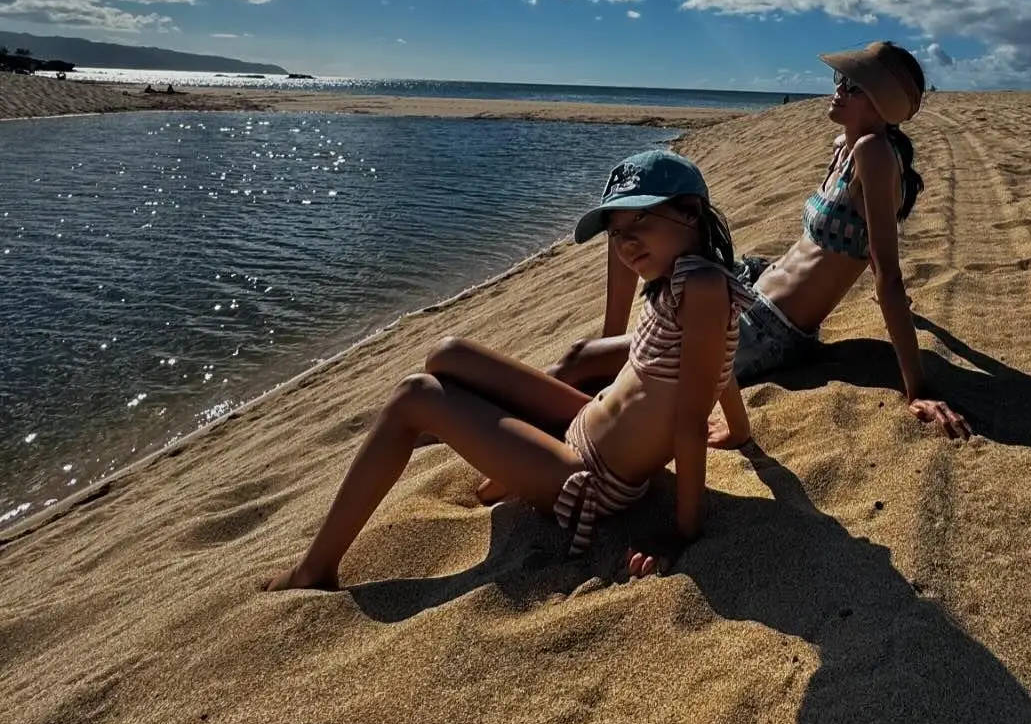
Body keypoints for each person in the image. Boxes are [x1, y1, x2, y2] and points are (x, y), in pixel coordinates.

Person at [264, 150, 754, 589]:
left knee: (415, 394)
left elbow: (691, 417)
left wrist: (683, 531)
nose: (626, 245)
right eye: (618, 232)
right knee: (447, 353)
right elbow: (716, 363)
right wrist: (737, 427)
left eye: (641, 222)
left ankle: (315, 569)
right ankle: (480, 444)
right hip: (582, 425)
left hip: (591, 477)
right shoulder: (681, 277)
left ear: (689, 213)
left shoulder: (704, 289)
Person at [554, 42, 968, 440]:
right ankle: (609, 341)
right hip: (753, 278)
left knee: (579, 358)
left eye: (853, 86)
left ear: (882, 103)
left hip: (768, 329)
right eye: (839, 80)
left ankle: (523, 420)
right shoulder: (848, 146)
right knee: (625, 220)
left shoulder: (874, 153)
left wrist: (918, 388)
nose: (838, 90)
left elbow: (887, 273)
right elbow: (868, 250)